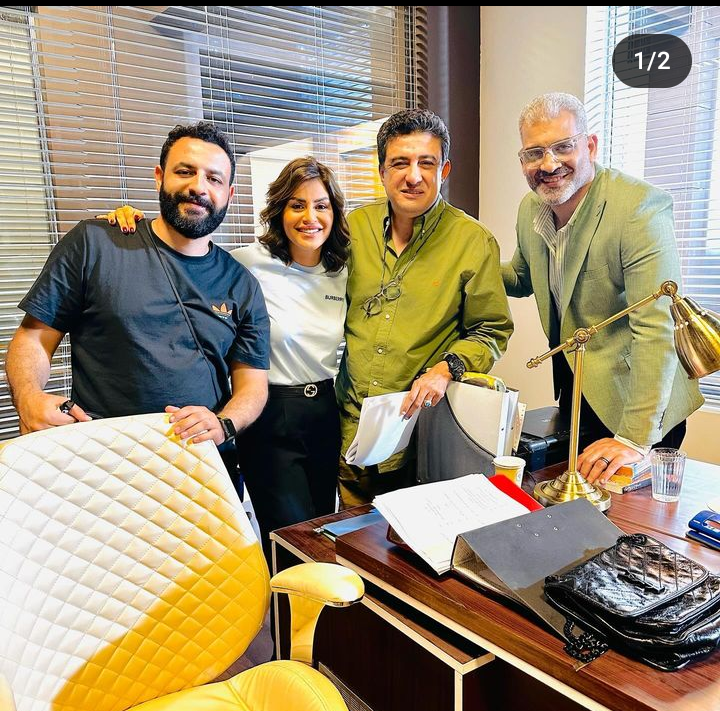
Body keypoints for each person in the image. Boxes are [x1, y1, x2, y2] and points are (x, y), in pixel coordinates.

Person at [97, 157, 350, 563]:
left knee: (323, 529)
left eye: (321, 206)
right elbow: (184, 254)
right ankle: (284, 603)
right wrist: (130, 228)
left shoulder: (342, 271)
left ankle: (314, 605)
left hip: (323, 411)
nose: (310, 217)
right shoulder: (246, 263)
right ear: (280, 210)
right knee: (291, 537)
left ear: (334, 213)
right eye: (297, 205)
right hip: (268, 411)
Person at [6, 121, 270, 487]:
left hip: (204, 467)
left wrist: (225, 423)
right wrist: (29, 397)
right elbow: (33, 338)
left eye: (214, 178)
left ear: (229, 193)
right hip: (103, 468)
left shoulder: (242, 283)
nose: (198, 187)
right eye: (185, 172)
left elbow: (253, 384)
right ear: (159, 176)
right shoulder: (96, 244)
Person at [502, 92, 703, 485]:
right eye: (535, 153)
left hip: (640, 399)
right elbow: (522, 278)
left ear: (590, 146)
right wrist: (465, 258)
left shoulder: (638, 208)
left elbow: (657, 328)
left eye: (563, 147)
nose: (549, 164)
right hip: (577, 386)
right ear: (522, 160)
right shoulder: (530, 209)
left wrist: (633, 439)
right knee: (572, 508)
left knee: (625, 517)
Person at [337, 108, 514, 507]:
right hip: (351, 425)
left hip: (420, 435)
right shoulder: (352, 229)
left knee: (414, 542)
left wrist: (446, 369)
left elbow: (492, 330)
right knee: (352, 538)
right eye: (400, 163)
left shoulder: (473, 241)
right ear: (382, 171)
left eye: (427, 163)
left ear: (444, 170)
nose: (413, 176)